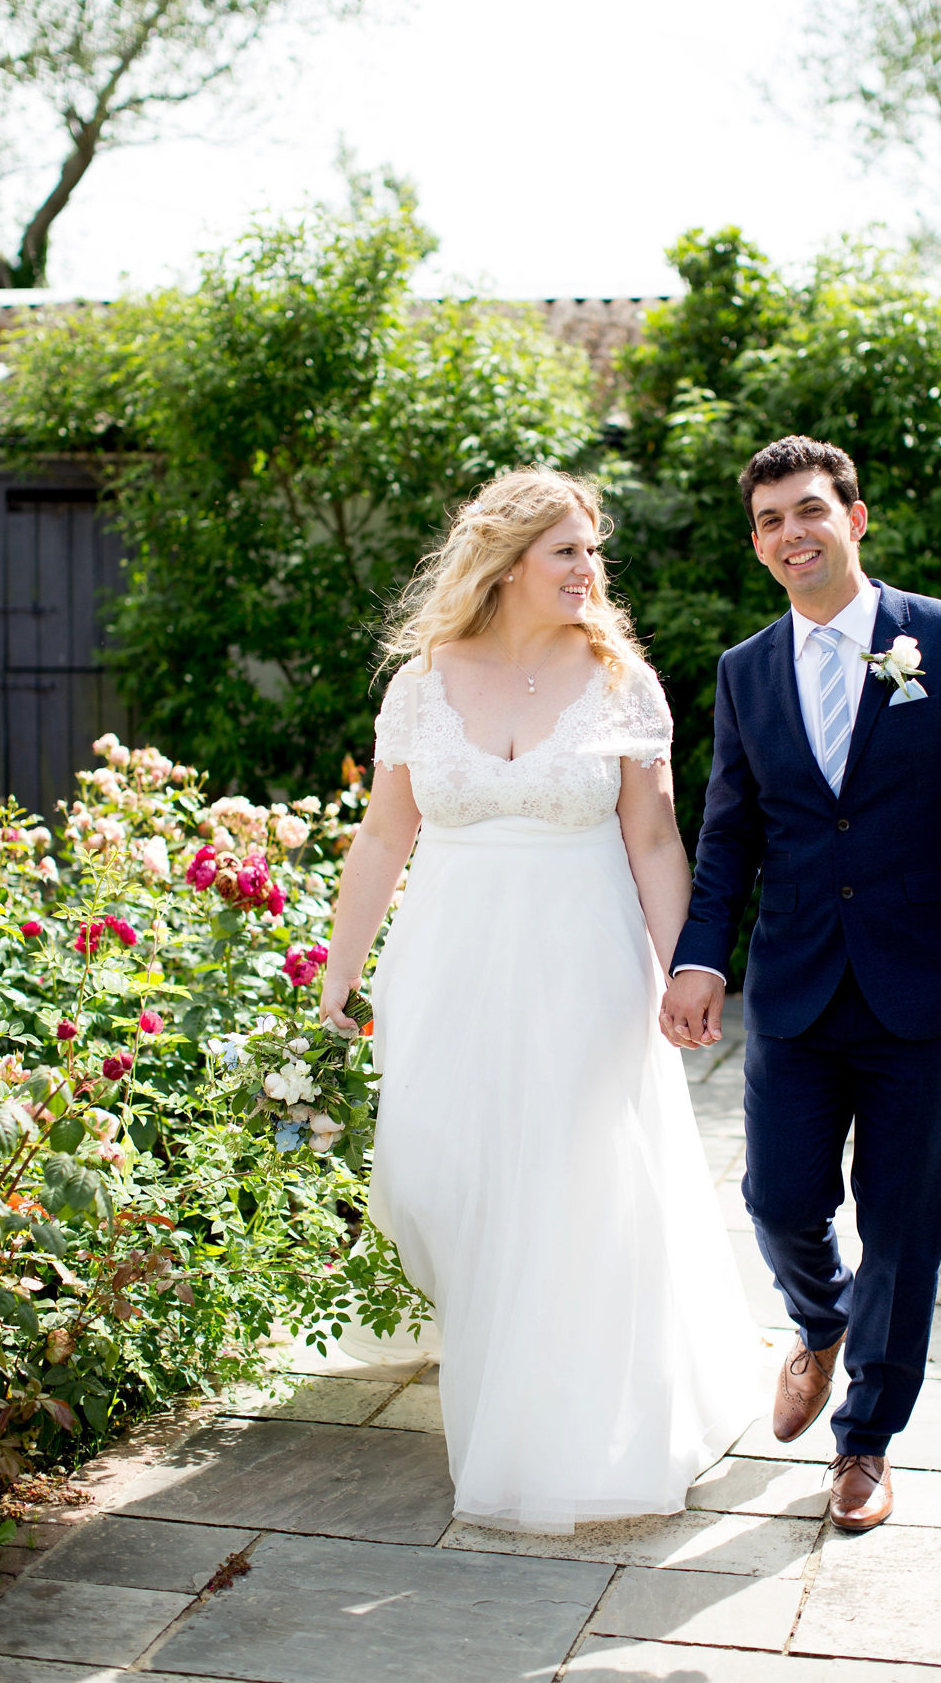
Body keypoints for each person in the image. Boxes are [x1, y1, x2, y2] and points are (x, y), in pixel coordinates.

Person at [320, 467, 763, 1535]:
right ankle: (508, 1356)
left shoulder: (622, 680)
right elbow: (386, 835)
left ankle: (555, 1429)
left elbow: (654, 839)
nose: (589, 570)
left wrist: (688, 972)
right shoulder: (422, 682)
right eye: (569, 550)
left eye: (593, 552)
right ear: (510, 560)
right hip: (449, 965)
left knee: (572, 1186)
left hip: (588, 961)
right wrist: (341, 968)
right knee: (443, 1171)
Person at [661, 435, 941, 1534]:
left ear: (856, 518)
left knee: (906, 1222)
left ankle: (866, 1441)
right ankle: (821, 1322)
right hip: (793, 979)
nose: (793, 533)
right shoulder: (746, 671)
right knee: (777, 1197)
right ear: (757, 543)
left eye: (810, 511)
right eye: (772, 520)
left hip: (926, 980)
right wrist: (700, 956)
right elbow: (729, 834)